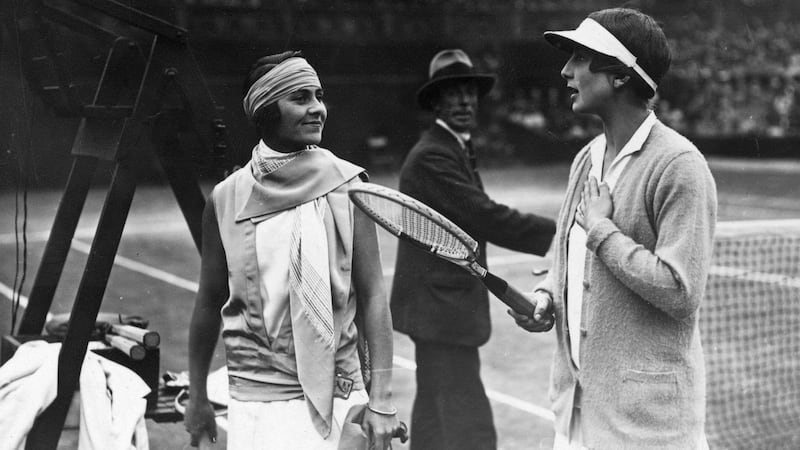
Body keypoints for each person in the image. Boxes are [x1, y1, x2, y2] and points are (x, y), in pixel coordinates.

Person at [509, 8, 718, 449]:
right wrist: (549, 295)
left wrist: (603, 231)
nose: (566, 71)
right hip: (577, 416)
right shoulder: (586, 158)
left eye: (580, 58)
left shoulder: (680, 166)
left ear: (620, 75)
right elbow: (566, 255)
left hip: (648, 430)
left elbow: (681, 292)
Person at [184, 51, 400, 449]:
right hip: (257, 397)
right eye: (300, 98)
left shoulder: (349, 186)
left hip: (338, 393)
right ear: (265, 109)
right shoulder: (225, 199)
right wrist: (197, 395)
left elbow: (373, 296)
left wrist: (383, 398)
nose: (317, 108)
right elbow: (208, 301)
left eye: (318, 96)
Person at [390, 48, 556, 450]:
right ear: (435, 102)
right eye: (452, 93)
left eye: (469, 91)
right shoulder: (433, 154)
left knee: (434, 418)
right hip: (440, 310)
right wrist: (562, 232)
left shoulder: (452, 147)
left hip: (440, 309)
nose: (464, 101)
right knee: (471, 429)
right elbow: (485, 215)